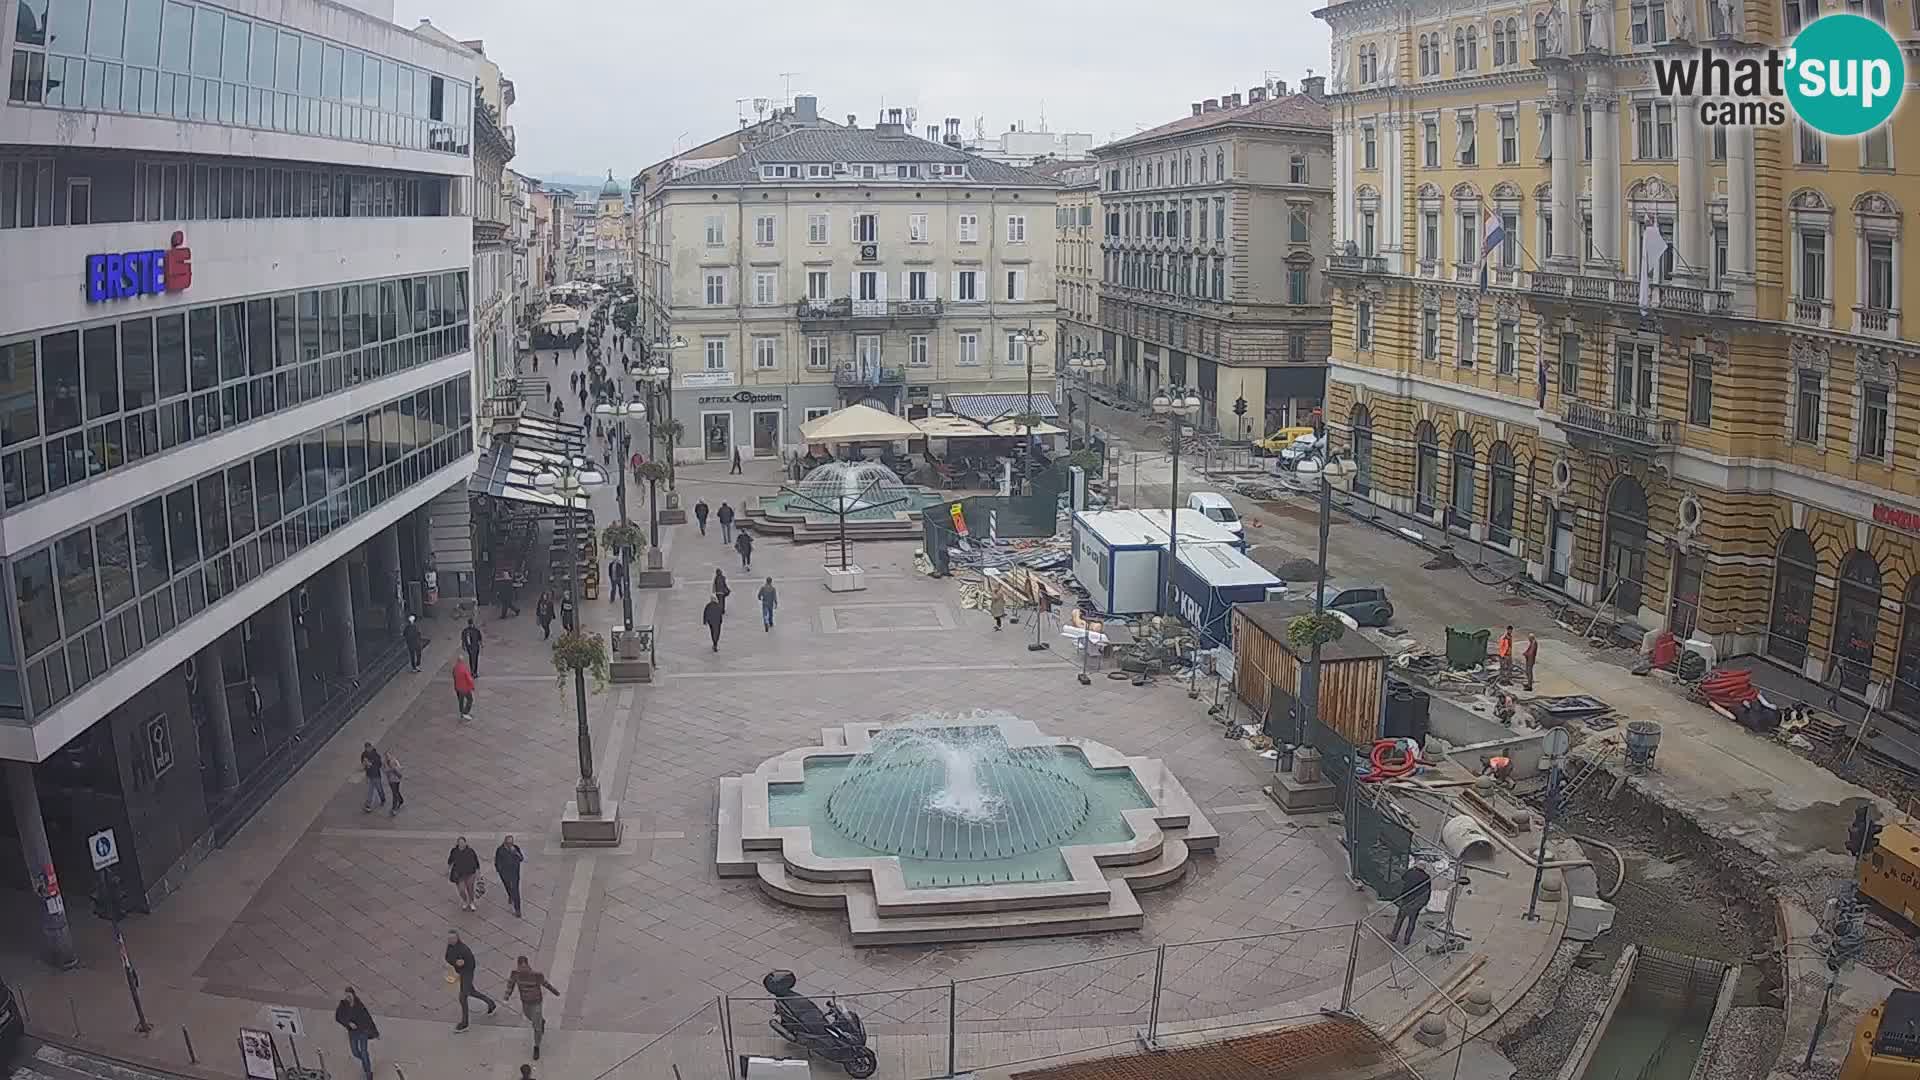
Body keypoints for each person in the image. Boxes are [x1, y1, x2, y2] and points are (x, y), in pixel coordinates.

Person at [504, 956, 561, 1061]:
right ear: (518, 966)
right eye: (521, 967)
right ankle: (540, 1021)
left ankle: (536, 1046)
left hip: (536, 1002)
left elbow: (545, 984)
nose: (523, 969)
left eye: (524, 967)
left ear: (527, 965)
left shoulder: (536, 975)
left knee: (536, 1027)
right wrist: (507, 996)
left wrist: (555, 992)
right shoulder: (515, 974)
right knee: (529, 1016)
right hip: (525, 1002)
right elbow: (510, 984)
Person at [444, 930, 496, 1032]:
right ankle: (491, 1004)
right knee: (472, 992)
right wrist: (455, 962)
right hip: (460, 972)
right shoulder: (449, 947)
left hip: (467, 973)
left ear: (457, 938)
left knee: (462, 997)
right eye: (449, 938)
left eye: (453, 938)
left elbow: (472, 964)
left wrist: (463, 965)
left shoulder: (464, 949)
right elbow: (447, 957)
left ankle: (465, 1023)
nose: (451, 940)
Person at [334, 987, 379, 1080]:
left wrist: (375, 1033)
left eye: (349, 995)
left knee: (364, 1052)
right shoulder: (343, 1004)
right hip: (353, 1033)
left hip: (363, 1031)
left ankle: (368, 1073)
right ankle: (365, 1061)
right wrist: (348, 1023)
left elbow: (368, 1019)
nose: (348, 997)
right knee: (355, 1052)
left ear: (353, 994)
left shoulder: (359, 1005)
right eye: (346, 995)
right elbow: (338, 1017)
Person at [1391, 862, 1432, 946]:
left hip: (1407, 899)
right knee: (1412, 921)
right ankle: (1407, 940)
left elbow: (1403, 879)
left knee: (1400, 919)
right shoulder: (1427, 877)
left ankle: (1394, 936)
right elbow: (1428, 890)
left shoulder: (1410, 872)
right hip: (1416, 902)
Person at [494, 836, 525, 918]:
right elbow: (497, 861)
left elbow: (521, 858)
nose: (510, 845)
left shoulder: (515, 848)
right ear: (505, 842)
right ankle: (510, 895)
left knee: (516, 891)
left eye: (511, 843)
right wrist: (499, 870)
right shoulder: (500, 850)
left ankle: (518, 910)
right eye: (508, 843)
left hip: (514, 873)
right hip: (505, 873)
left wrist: (516, 853)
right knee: (508, 886)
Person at [448, 837, 482, 911]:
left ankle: (471, 902)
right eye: (460, 842)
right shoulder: (454, 851)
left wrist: (478, 872)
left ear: (465, 843)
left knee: (470, 889)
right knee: (461, 890)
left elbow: (476, 862)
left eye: (463, 842)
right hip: (459, 875)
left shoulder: (470, 851)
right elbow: (450, 861)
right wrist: (449, 869)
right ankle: (465, 901)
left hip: (470, 873)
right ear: (457, 843)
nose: (461, 844)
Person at [359, 742, 386, 813]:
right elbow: (362, 763)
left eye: (368, 748)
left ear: (371, 747)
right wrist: (364, 765)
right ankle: (368, 805)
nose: (367, 749)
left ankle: (382, 798)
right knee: (370, 791)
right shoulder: (363, 754)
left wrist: (371, 764)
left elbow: (379, 765)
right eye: (366, 748)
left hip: (376, 775)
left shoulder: (376, 755)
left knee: (379, 789)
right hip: (369, 775)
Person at [452, 655, 475, 722]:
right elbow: (469, 679)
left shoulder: (455, 668)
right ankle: (465, 712)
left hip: (457, 688)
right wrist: (472, 687)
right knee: (470, 699)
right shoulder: (464, 669)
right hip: (464, 688)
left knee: (460, 700)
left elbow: (454, 675)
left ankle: (461, 712)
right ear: (462, 661)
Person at [383, 751, 404, 817]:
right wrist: (389, 770)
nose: (387, 757)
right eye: (386, 756)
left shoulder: (395, 761)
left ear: (391, 755)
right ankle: (398, 803)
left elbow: (399, 768)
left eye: (388, 755)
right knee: (395, 792)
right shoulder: (384, 763)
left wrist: (394, 768)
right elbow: (384, 771)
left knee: (395, 793)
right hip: (391, 781)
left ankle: (397, 805)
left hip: (396, 780)